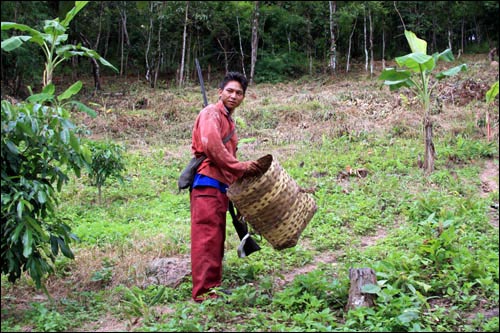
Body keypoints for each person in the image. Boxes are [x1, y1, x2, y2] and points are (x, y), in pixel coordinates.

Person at [189, 71, 262, 302]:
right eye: (229, 91)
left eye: (239, 93)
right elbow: (213, 148)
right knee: (207, 239)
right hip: (207, 184)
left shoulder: (228, 120)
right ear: (220, 92)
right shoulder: (211, 113)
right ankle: (204, 292)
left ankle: (213, 286)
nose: (233, 96)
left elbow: (226, 156)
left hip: (220, 185)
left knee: (215, 238)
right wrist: (242, 167)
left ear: (243, 98)